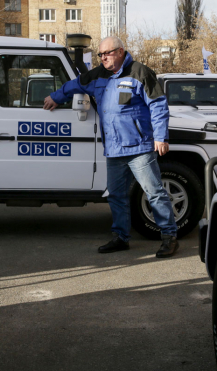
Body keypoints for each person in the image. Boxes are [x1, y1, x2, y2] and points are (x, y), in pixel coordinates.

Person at [43, 36, 179, 258]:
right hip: (114, 150)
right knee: (116, 195)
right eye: (100, 54)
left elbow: (158, 104)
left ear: (121, 52)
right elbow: (74, 84)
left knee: (154, 193)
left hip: (140, 148)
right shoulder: (97, 75)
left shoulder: (140, 72)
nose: (103, 57)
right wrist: (56, 97)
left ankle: (169, 237)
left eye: (107, 53)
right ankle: (121, 238)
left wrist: (161, 137)